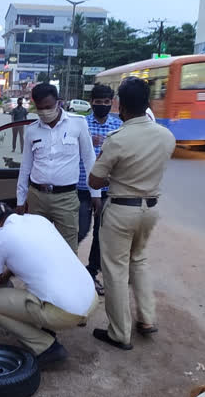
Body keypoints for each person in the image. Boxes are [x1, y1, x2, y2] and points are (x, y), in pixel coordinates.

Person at [87, 76, 176, 351]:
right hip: (150, 210)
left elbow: (94, 181)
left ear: (120, 107)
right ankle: (147, 318)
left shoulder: (117, 139)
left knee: (114, 270)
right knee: (139, 260)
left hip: (121, 210)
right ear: (147, 104)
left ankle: (119, 333)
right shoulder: (166, 136)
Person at [0, 202, 97, 368]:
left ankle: (46, 347)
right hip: (90, 297)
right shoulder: (39, 220)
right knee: (35, 282)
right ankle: (47, 326)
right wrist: (9, 271)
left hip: (66, 312)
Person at [16, 83, 100, 253]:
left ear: (59, 102)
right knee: (37, 247)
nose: (44, 112)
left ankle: (66, 280)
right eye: (40, 108)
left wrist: (95, 193)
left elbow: (89, 158)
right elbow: (25, 167)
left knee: (67, 249)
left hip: (66, 198)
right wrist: (20, 199)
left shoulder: (78, 123)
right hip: (37, 197)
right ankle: (39, 280)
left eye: (48, 107)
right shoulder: (32, 130)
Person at [77, 84, 122, 296]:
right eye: (98, 102)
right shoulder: (82, 125)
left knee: (100, 234)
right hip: (82, 187)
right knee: (80, 229)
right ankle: (67, 268)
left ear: (111, 102)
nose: (102, 105)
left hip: (106, 189)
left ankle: (91, 272)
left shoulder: (118, 126)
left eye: (106, 102)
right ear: (91, 102)